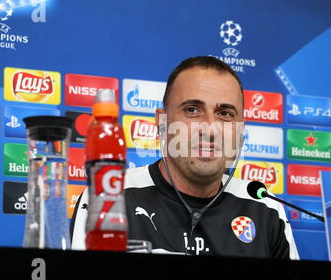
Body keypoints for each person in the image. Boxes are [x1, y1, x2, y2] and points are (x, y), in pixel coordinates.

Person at [70, 56, 299, 259]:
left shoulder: (265, 208)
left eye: (225, 114)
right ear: (162, 123)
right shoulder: (109, 195)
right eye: (192, 110)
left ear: (240, 129)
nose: (210, 129)